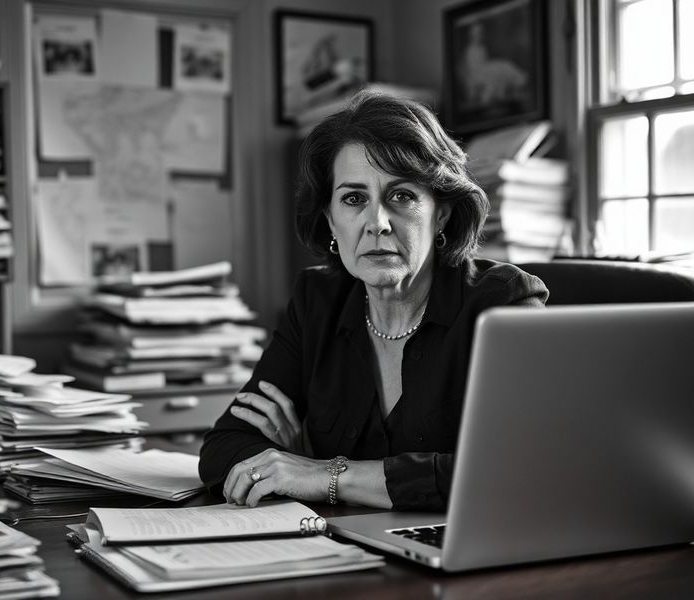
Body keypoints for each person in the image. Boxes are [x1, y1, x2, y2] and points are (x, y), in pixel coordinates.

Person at [198, 91, 549, 511]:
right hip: (342, 549)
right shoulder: (317, 302)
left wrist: (323, 473)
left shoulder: (504, 304)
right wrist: (295, 467)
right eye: (353, 199)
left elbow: (520, 469)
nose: (376, 223)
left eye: (401, 196)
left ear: (441, 213)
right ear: (330, 219)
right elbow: (222, 449)